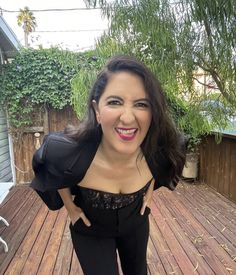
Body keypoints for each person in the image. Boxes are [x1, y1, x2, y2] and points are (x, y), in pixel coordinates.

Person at [31, 55, 186, 275]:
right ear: (97, 109)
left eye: (141, 104)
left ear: (152, 112)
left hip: (135, 224)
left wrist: (148, 195)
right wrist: (70, 207)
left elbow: (162, 169)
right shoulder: (68, 152)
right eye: (115, 102)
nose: (128, 117)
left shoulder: (159, 152)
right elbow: (53, 167)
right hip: (90, 229)